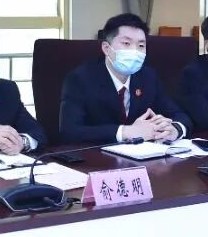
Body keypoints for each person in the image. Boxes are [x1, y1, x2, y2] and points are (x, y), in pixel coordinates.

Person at [59, 13, 191, 144]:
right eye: (126, 43)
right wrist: (126, 132)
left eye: (141, 46)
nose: (135, 51)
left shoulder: (148, 77)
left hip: (145, 154)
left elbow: (180, 115)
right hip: (97, 155)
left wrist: (175, 129)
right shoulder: (80, 79)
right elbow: (69, 131)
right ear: (106, 48)